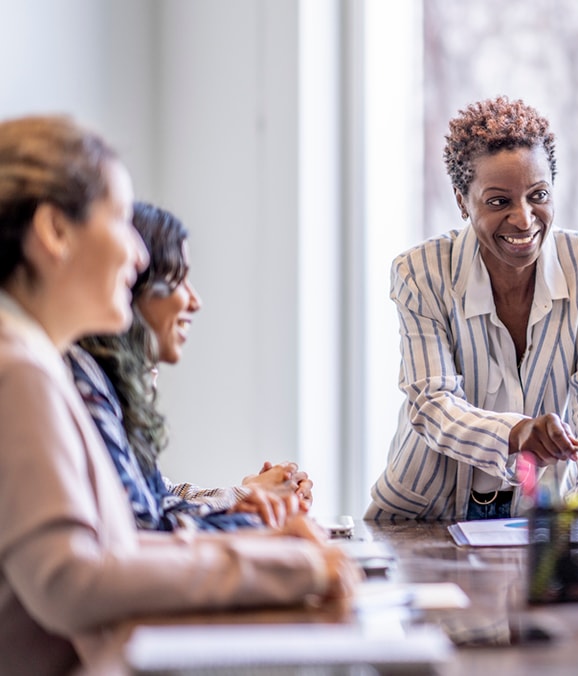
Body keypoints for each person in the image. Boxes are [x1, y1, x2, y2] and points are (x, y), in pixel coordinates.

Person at [0, 115, 357, 673]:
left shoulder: (33, 361)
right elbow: (68, 581)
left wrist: (275, 551)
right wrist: (289, 568)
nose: (140, 256)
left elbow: (113, 550)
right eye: (120, 220)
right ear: (54, 231)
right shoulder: (17, 370)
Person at [366, 96, 578, 522]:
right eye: (498, 202)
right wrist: (515, 432)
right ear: (462, 202)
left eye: (538, 195)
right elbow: (432, 402)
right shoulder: (420, 272)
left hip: (536, 517)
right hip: (422, 517)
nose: (525, 219)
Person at [72, 201, 313, 532]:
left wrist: (247, 496)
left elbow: (159, 494)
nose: (195, 301)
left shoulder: (109, 382)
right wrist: (248, 514)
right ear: (132, 285)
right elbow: (144, 525)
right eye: (177, 279)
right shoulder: (84, 382)